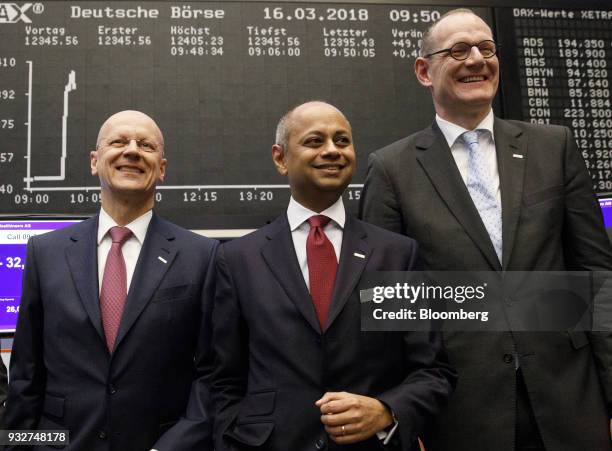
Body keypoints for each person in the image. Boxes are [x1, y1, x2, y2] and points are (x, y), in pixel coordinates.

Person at [360, 8, 612, 451]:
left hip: (572, 401)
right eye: (458, 50)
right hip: (459, 412)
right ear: (424, 70)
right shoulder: (392, 169)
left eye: (487, 48)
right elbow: (388, 303)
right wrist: (405, 411)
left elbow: (598, 278)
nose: (477, 59)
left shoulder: (555, 148)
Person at [211, 101, 456, 451]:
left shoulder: (396, 255)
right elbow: (224, 382)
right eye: (314, 141)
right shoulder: (238, 260)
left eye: (342, 141)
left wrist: (386, 410)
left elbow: (433, 372)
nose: (332, 151)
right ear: (280, 158)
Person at [6, 110, 218, 450]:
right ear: (94, 161)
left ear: (161, 168)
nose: (131, 150)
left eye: (146, 145)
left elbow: (211, 375)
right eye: (118, 142)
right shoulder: (45, 252)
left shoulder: (202, 256)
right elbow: (25, 376)